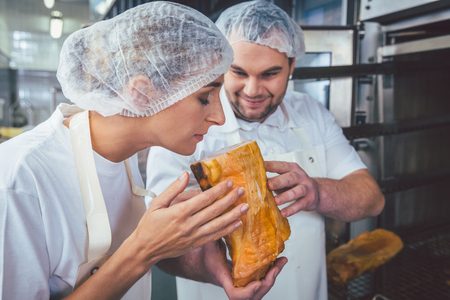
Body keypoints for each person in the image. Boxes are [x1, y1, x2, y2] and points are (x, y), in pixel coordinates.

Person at [0, 2, 283, 299]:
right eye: (205, 96)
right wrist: (143, 251)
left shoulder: (122, 155)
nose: (220, 117)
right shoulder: (19, 181)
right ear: (141, 93)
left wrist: (207, 265)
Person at [146, 1, 386, 300]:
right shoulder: (181, 121)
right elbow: (157, 244)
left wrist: (316, 192)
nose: (253, 90)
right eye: (238, 72)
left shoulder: (310, 113)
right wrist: (210, 270)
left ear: (292, 66)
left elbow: (371, 200)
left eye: (270, 74)